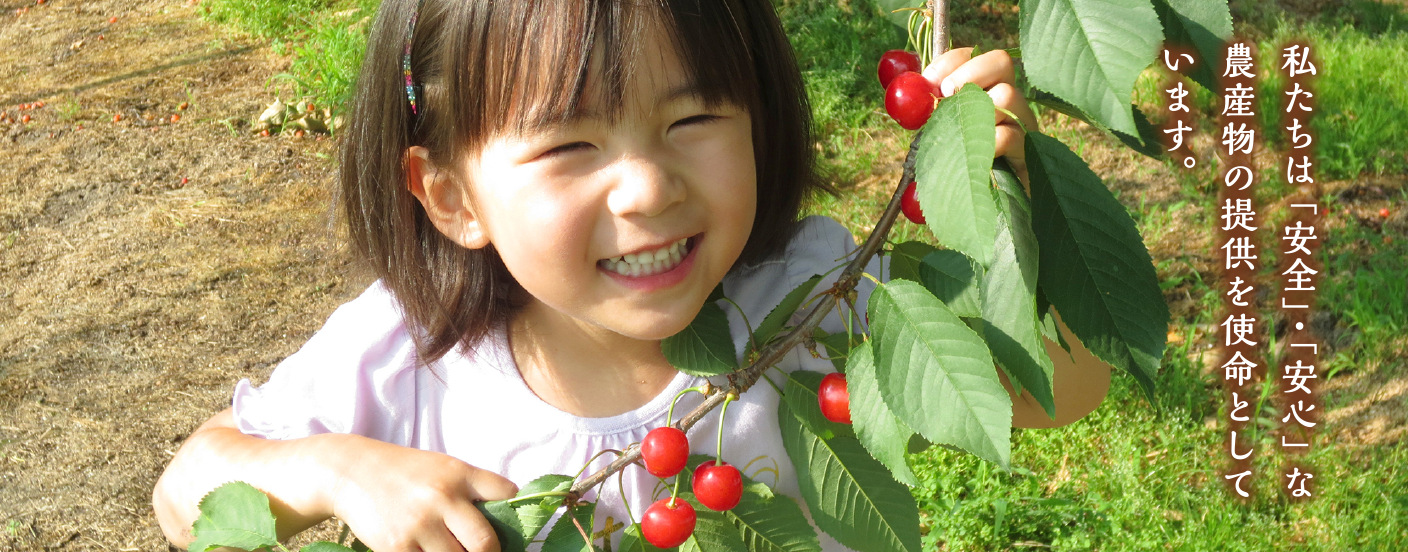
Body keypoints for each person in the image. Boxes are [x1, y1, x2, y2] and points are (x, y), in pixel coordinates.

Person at [152, 1, 1111, 550]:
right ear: (450, 198)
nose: (649, 187)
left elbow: (1062, 391)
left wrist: (1000, 205)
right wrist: (340, 468)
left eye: (692, 122)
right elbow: (188, 484)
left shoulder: (815, 294)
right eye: (569, 145)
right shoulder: (414, 352)